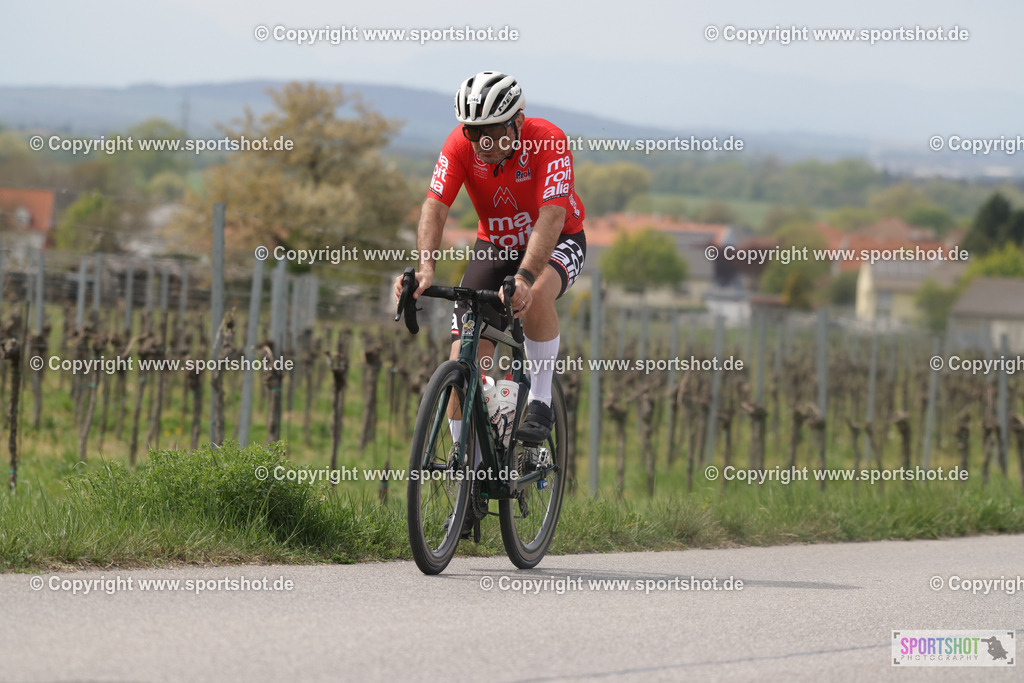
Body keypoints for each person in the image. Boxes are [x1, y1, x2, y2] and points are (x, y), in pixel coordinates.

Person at [393, 70, 586, 445]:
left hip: (558, 239)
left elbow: (551, 216)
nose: (484, 143)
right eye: (474, 131)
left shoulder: (548, 140)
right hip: (496, 247)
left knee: (535, 296)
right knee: (463, 357)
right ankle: (468, 469)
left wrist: (525, 278)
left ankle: (541, 399)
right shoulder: (459, 145)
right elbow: (435, 206)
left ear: (518, 122)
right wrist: (426, 268)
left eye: (495, 131)